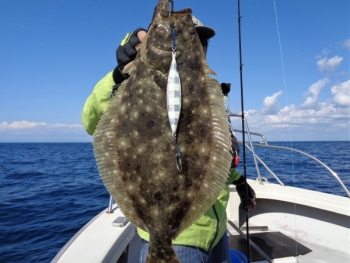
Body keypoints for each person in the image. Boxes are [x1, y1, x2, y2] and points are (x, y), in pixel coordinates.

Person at [81, 15, 256, 263]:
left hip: (216, 232)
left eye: (202, 41)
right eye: (190, 38)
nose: (198, 46)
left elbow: (206, 155)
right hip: (181, 241)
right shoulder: (140, 81)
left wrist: (238, 181)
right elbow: (90, 120)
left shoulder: (206, 93)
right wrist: (120, 73)